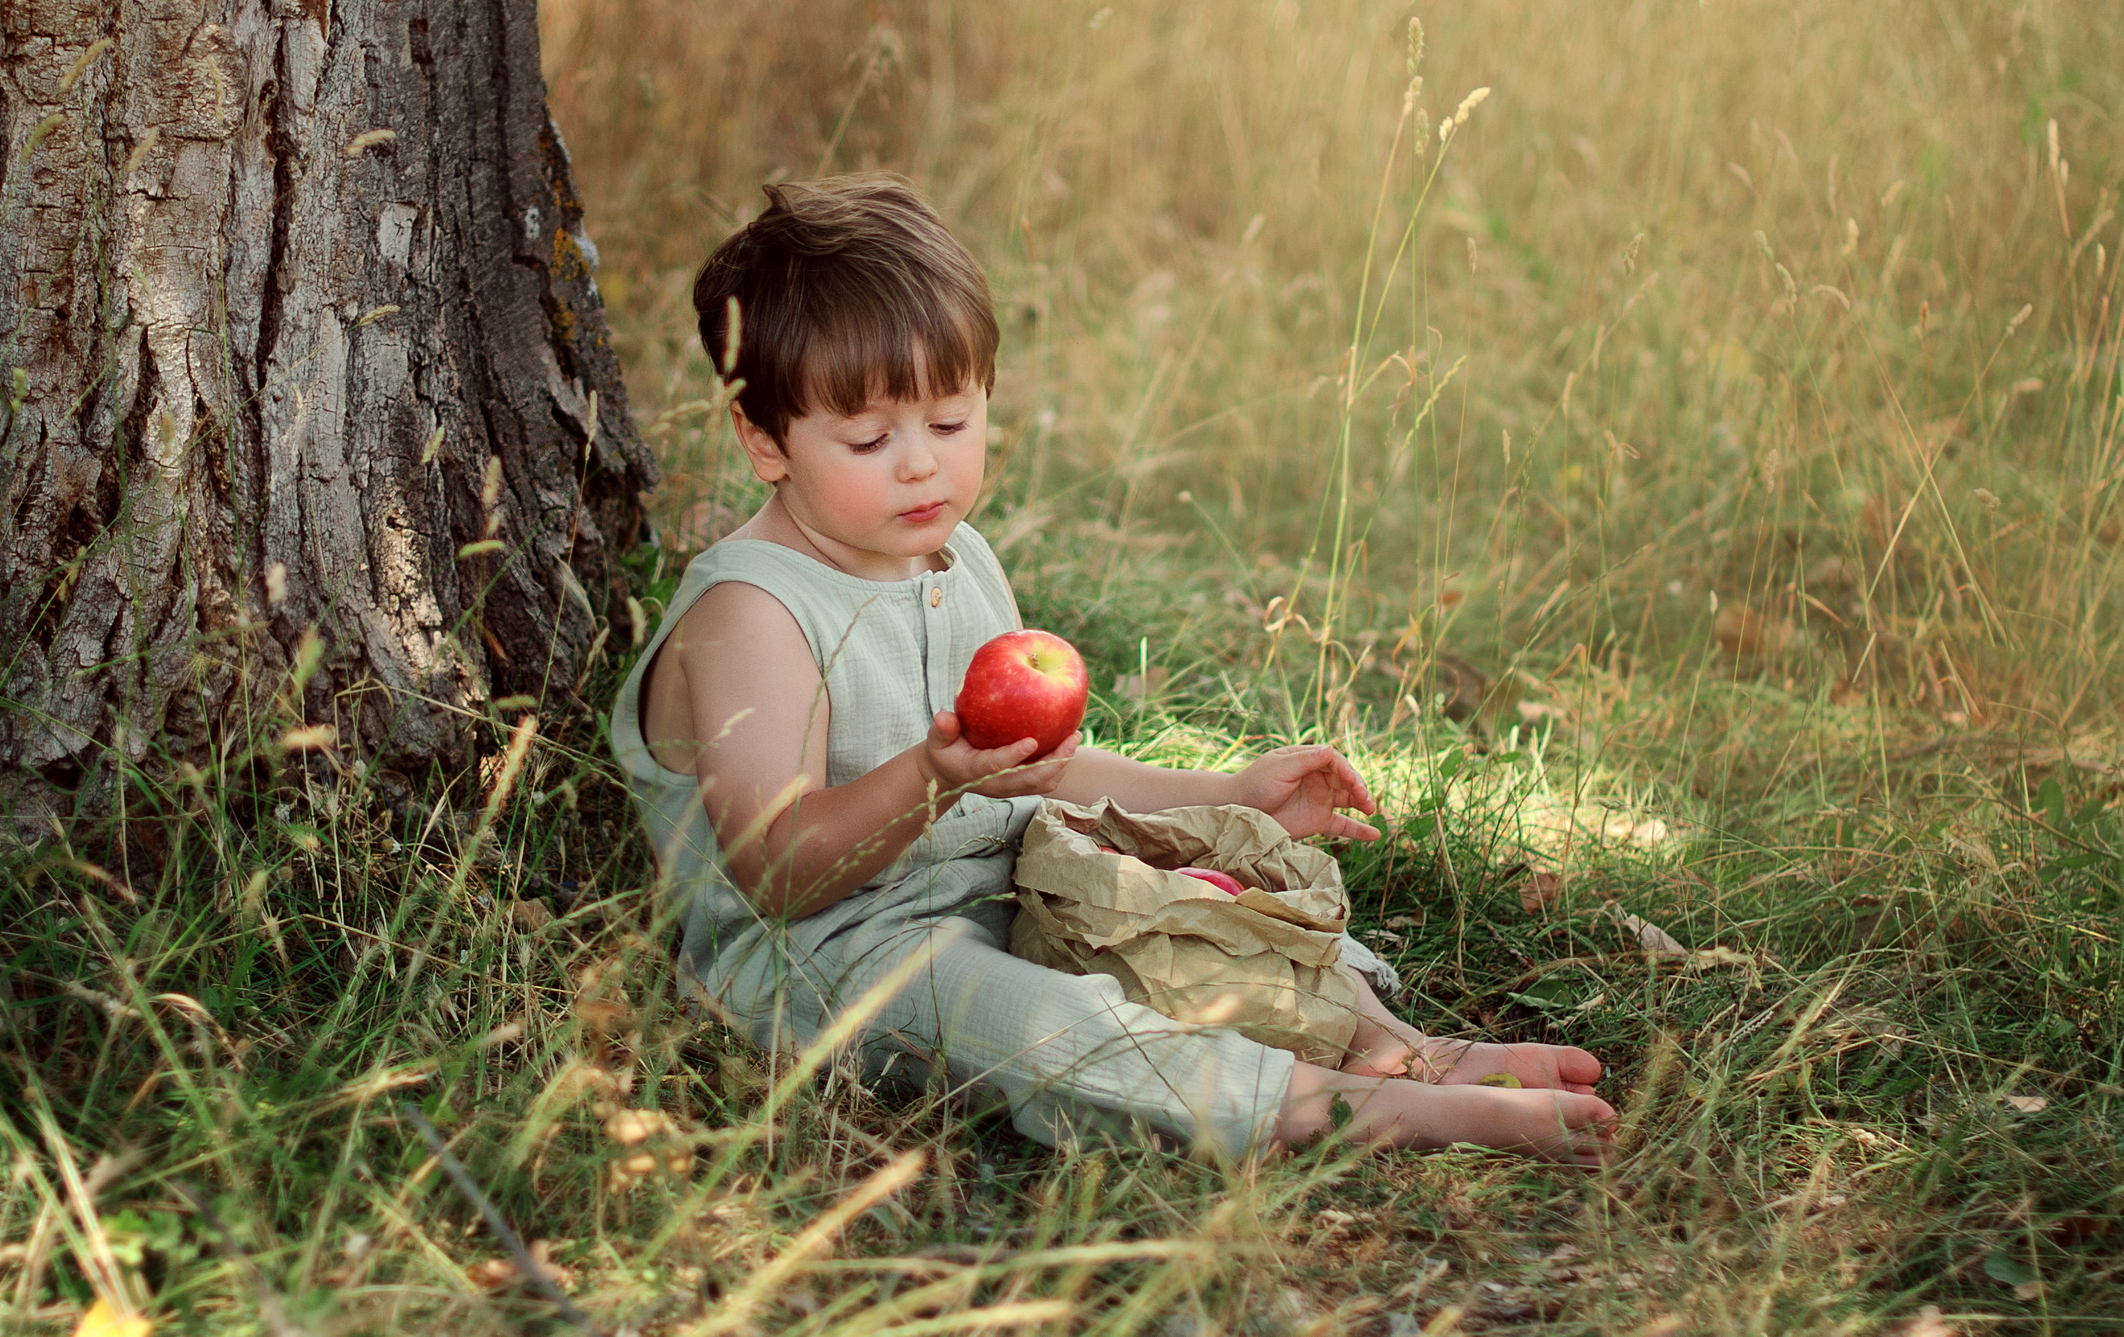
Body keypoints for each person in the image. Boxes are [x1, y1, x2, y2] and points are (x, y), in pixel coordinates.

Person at [610, 175, 1616, 1163]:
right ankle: (1349, 1110)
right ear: (762, 441)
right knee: (1041, 1018)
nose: (920, 463)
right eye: (870, 437)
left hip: (1000, 885)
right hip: (836, 954)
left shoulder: (952, 556)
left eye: (951, 421)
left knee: (1188, 896)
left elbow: (1040, 773)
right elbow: (778, 872)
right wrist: (930, 776)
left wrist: (1227, 793)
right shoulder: (754, 610)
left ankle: (1407, 1053)